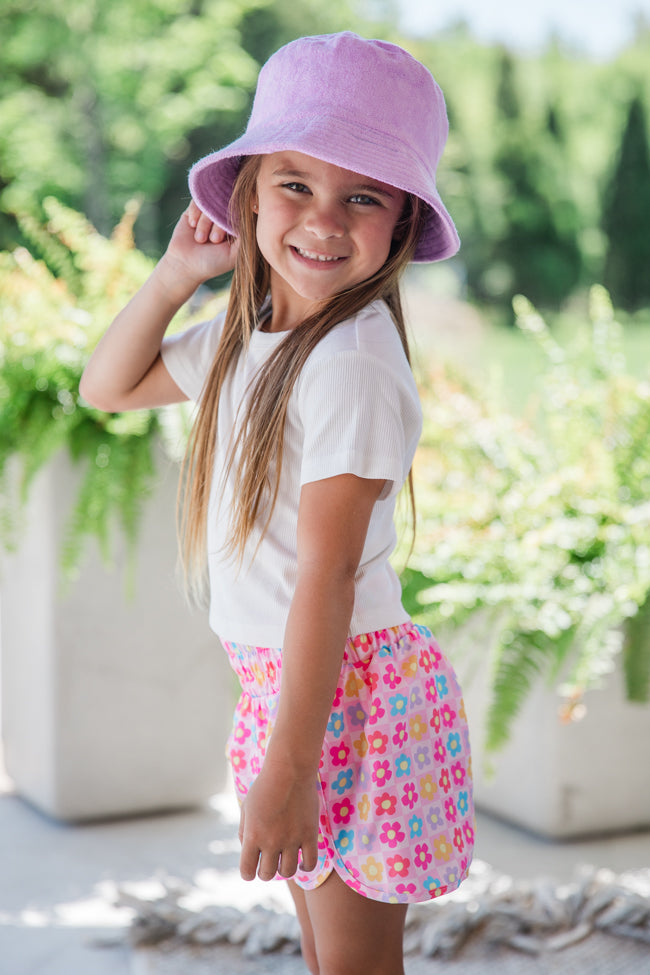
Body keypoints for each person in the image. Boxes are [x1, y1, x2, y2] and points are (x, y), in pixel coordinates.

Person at [80, 31, 474, 975]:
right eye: (295, 183)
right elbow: (109, 385)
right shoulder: (243, 336)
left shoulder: (354, 364)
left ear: (402, 225)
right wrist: (177, 274)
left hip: (348, 695)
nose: (325, 221)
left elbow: (327, 580)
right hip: (292, 683)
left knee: (353, 960)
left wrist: (292, 769)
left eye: (364, 196)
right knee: (320, 947)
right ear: (249, 191)